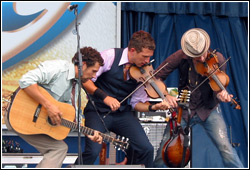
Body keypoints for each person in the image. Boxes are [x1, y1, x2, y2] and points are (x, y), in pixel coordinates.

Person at [76, 30, 170, 167]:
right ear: (132, 50)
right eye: (144, 56)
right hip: (97, 111)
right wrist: (105, 97)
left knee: (146, 149)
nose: (147, 61)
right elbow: (85, 80)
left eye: (149, 57)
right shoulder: (110, 56)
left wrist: (153, 107)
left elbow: (135, 104)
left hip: (121, 114)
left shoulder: (143, 71)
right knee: (93, 151)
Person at [153, 28, 244, 168]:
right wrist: (166, 95)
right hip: (183, 110)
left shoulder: (218, 59)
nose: (201, 59)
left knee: (226, 149)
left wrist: (221, 94)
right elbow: (157, 76)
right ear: (189, 53)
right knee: (163, 153)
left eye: (203, 54)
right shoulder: (180, 56)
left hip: (208, 110)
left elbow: (219, 88)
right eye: (197, 56)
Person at [5, 47, 104, 168]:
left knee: (59, 149)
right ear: (83, 65)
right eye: (93, 71)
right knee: (58, 150)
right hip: (20, 114)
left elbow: (71, 112)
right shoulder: (57, 68)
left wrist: (87, 132)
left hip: (32, 122)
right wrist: (49, 106)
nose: (94, 76)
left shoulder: (76, 85)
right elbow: (26, 80)